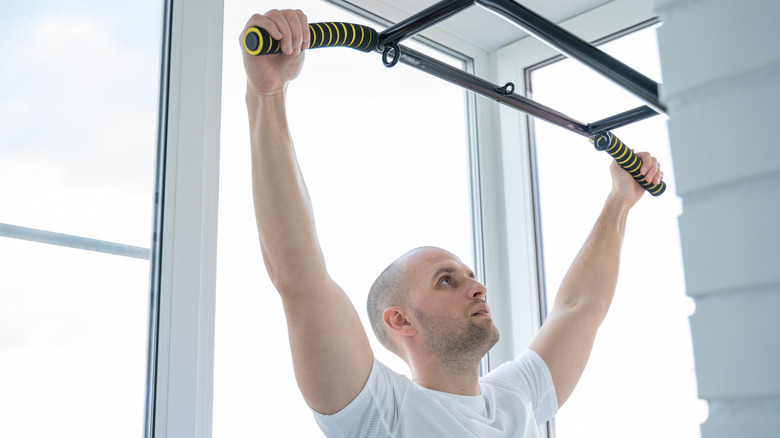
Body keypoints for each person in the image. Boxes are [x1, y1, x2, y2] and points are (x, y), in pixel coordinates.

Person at [240, 9, 663, 438]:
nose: (477, 288)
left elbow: (580, 307)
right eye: (447, 280)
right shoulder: (381, 413)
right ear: (400, 320)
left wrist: (620, 201)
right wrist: (266, 95)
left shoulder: (516, 399)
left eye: (469, 276)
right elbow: (300, 278)